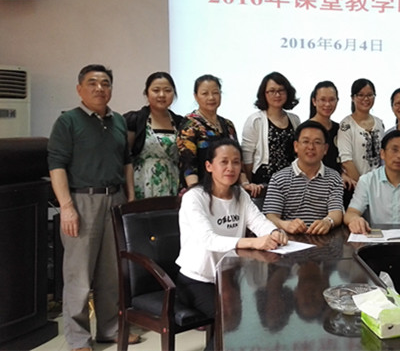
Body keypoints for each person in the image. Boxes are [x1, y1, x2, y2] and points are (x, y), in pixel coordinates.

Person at [47, 64, 139, 351]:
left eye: (105, 83)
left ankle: (110, 329)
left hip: (115, 200)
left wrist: (130, 197)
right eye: (92, 83)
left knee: (111, 273)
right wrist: (67, 207)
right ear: (80, 89)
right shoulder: (68, 122)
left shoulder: (118, 121)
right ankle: (78, 338)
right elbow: (56, 166)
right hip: (81, 202)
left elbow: (126, 162)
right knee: (79, 274)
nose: (100, 88)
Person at [176, 138, 288, 323]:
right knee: (228, 321)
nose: (230, 168)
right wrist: (253, 242)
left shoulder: (240, 194)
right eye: (224, 162)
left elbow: (259, 222)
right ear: (209, 166)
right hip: (199, 280)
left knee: (246, 320)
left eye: (236, 162)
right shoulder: (194, 198)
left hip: (230, 276)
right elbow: (208, 240)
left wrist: (274, 232)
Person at [177, 74, 259, 196]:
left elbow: (237, 159)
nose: (211, 97)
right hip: (200, 190)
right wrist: (195, 193)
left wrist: (245, 183)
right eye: (205, 93)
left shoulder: (228, 125)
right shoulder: (190, 124)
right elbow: (188, 163)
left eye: (215, 93)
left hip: (227, 190)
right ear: (196, 96)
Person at [263, 120, 344, 235]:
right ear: (296, 146)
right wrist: (285, 224)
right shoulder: (279, 178)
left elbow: (336, 212)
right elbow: (271, 216)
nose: (311, 147)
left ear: (325, 149)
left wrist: (328, 222)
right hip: (289, 240)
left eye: (317, 142)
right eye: (306, 141)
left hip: (323, 239)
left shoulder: (334, 177)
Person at [123, 71, 183, 199]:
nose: (162, 95)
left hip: (173, 184)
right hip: (142, 185)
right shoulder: (134, 120)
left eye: (167, 90)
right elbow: (125, 158)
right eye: (156, 90)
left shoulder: (180, 122)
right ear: (147, 93)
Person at [242, 72, 301, 192]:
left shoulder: (295, 120)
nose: (277, 95)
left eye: (281, 90)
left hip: (291, 182)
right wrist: (249, 184)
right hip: (263, 184)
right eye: (272, 91)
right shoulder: (255, 120)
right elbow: (247, 156)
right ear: (264, 94)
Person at [308, 80, 355, 189]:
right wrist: (338, 176)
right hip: (313, 185)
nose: (327, 104)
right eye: (323, 100)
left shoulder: (340, 129)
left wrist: (343, 174)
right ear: (314, 101)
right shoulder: (305, 129)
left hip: (339, 186)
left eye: (332, 100)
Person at [338, 78, 385, 182]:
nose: (366, 99)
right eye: (361, 95)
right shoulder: (346, 125)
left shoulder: (379, 123)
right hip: (356, 185)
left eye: (370, 95)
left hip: (379, 184)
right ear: (352, 98)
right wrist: (363, 186)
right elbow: (346, 161)